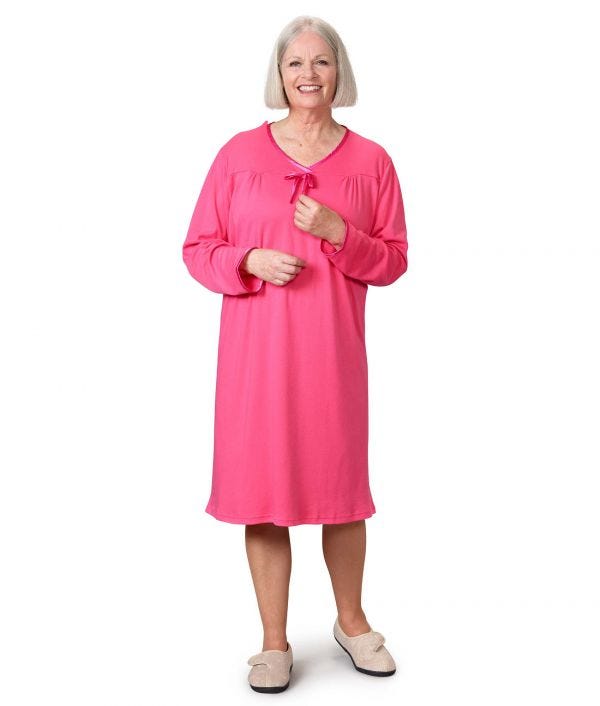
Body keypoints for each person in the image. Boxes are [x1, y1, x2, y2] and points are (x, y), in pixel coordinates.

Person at [181, 15, 408, 693]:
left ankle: (352, 623)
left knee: (343, 495)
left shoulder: (371, 162)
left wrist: (341, 233)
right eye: (295, 64)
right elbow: (197, 249)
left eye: (321, 62)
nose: (309, 75)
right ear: (279, 76)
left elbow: (393, 261)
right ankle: (274, 642)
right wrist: (247, 259)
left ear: (340, 72)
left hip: (332, 358)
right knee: (261, 495)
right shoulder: (237, 156)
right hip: (256, 361)